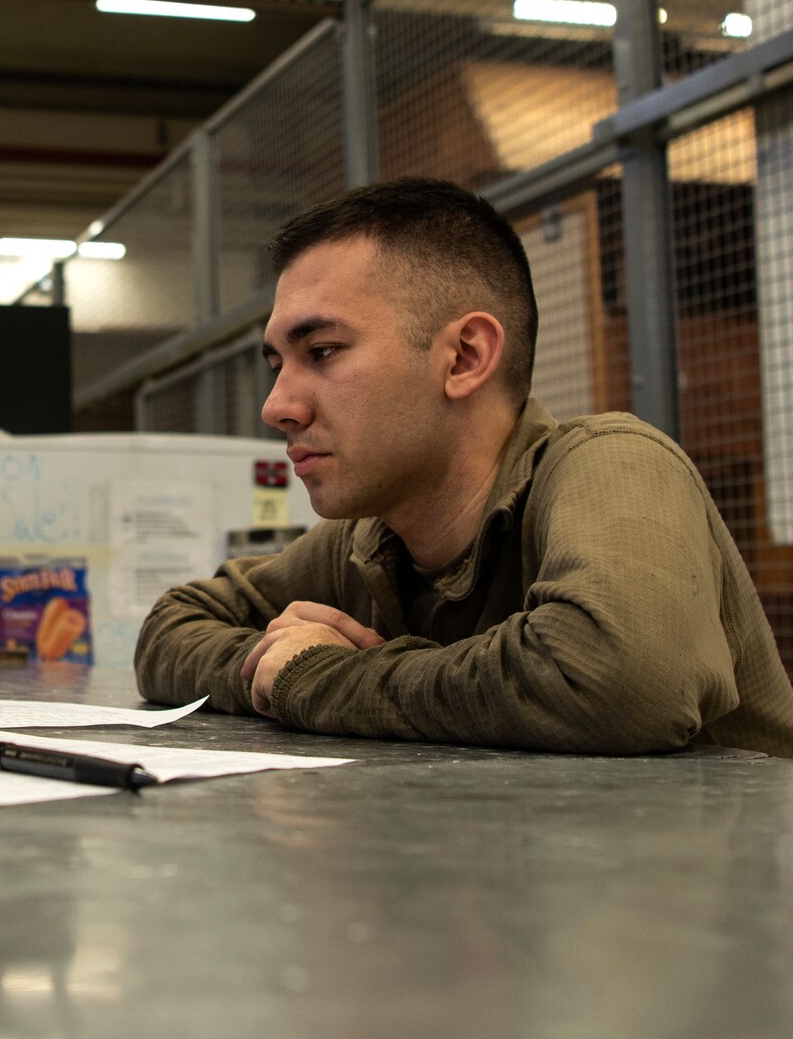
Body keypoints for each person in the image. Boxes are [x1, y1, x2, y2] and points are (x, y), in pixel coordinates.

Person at [135, 177, 793, 758]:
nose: (277, 406)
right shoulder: (370, 540)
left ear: (465, 357)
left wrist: (318, 679)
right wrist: (268, 664)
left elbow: (616, 680)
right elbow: (170, 629)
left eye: (324, 351)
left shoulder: (614, 463)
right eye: (277, 364)